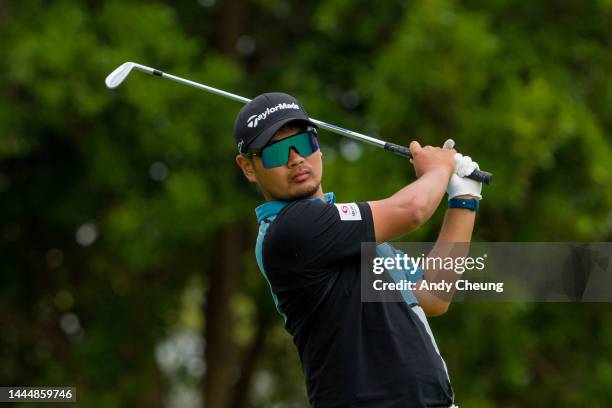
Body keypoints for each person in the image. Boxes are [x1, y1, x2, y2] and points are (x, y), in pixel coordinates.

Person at [234, 92, 482, 407]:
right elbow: (413, 210)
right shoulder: (290, 229)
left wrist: (464, 199)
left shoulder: (348, 232)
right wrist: (439, 169)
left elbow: (433, 295)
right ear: (248, 167)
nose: (295, 158)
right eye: (276, 151)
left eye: (305, 143)